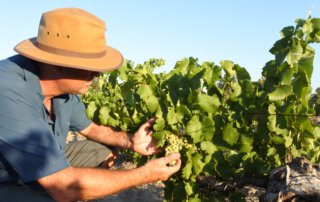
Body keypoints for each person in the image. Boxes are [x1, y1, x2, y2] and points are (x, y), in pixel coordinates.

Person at [0, 7, 181, 201]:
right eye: (91, 67)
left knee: (102, 151)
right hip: (6, 179)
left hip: (39, 162)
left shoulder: (64, 93)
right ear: (58, 64)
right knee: (61, 191)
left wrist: (131, 141)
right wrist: (144, 175)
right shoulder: (8, 89)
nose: (97, 75)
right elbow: (63, 186)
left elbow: (91, 129)